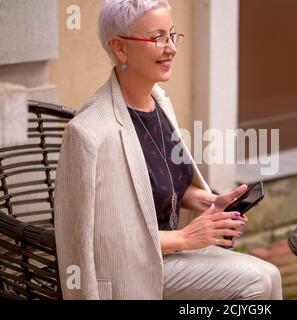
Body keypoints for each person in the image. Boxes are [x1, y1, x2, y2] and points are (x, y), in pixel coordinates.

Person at [54, 0, 282, 300]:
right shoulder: (88, 133)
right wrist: (186, 237)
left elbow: (165, 184)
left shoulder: (158, 101)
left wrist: (209, 203)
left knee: (271, 275)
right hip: (129, 274)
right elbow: (89, 240)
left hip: (169, 255)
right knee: (255, 283)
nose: (171, 48)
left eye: (172, 35)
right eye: (157, 37)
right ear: (120, 48)